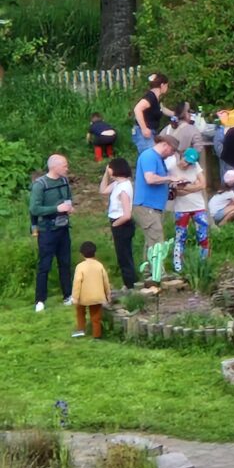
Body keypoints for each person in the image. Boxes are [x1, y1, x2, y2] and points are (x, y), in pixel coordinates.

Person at [30, 154, 74, 312]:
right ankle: (40, 300)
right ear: (54, 167)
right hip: (47, 231)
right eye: (64, 165)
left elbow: (68, 198)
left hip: (63, 228)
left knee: (65, 263)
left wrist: (69, 207)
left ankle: (68, 295)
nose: (67, 168)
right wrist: (56, 209)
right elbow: (34, 209)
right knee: (45, 265)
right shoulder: (40, 185)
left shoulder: (64, 181)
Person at [133, 133, 179, 258]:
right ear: (165, 145)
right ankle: (158, 269)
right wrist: (169, 178)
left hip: (155, 206)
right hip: (147, 205)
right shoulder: (149, 156)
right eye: (172, 150)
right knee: (157, 241)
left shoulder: (159, 159)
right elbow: (150, 178)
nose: (172, 154)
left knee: (151, 241)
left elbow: (160, 179)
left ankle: (149, 268)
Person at [166, 147, 208, 272]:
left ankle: (204, 263)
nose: (187, 164)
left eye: (190, 163)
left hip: (198, 206)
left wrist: (185, 188)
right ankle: (178, 266)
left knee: (203, 235)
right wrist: (194, 186)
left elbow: (203, 184)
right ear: (182, 156)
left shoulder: (195, 166)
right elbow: (175, 191)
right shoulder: (172, 168)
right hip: (181, 208)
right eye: (186, 161)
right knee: (180, 236)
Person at [99, 157, 137, 289]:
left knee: (124, 256)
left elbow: (127, 214)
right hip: (118, 222)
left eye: (109, 167)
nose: (108, 169)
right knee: (122, 255)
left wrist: (115, 225)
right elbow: (103, 190)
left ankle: (130, 284)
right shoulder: (117, 184)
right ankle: (129, 282)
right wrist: (106, 174)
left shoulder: (124, 188)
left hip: (121, 224)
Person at [71, 241, 111, 339]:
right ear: (95, 252)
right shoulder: (99, 265)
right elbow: (106, 281)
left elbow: (77, 283)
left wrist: (75, 297)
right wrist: (108, 295)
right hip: (97, 296)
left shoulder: (80, 266)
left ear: (81, 254)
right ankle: (97, 335)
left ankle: (81, 330)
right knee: (96, 317)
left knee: (80, 312)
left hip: (83, 296)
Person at [132, 73, 174, 154]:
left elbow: (162, 109)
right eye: (167, 85)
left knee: (153, 154)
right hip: (144, 132)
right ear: (162, 85)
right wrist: (144, 129)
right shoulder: (150, 97)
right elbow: (137, 109)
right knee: (150, 155)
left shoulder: (156, 98)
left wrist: (176, 114)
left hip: (151, 131)